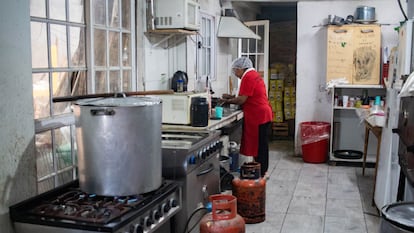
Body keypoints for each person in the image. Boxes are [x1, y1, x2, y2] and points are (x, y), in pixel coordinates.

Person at [220, 57, 273, 177]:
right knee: (261, 145)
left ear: (240, 69)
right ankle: (261, 170)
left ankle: (262, 172)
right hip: (262, 114)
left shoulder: (248, 77)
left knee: (260, 146)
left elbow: (242, 99)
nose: (235, 74)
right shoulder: (253, 75)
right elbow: (247, 95)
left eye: (235, 71)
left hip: (259, 115)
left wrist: (226, 101)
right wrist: (230, 97)